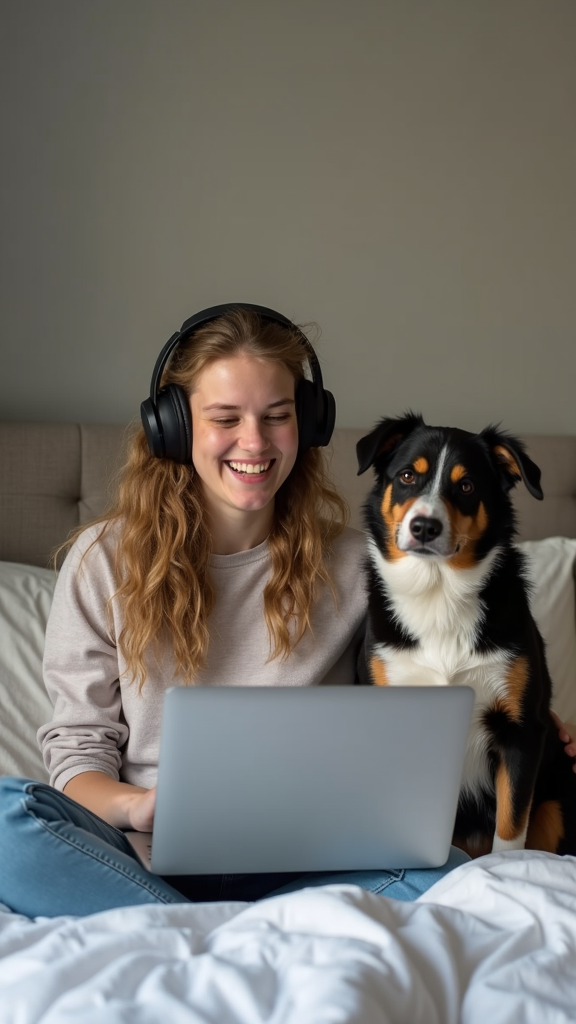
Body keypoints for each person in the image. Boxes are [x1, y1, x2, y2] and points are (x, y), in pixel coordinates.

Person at [0, 304, 573, 918]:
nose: (255, 442)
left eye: (277, 416)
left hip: (317, 860)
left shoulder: (367, 565)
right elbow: (77, 751)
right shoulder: (102, 560)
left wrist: (532, 712)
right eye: (225, 418)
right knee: (8, 817)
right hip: (139, 847)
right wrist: (137, 807)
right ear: (171, 425)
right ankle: (186, 917)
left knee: (449, 869)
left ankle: (165, 922)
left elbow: (443, 668)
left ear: (310, 424)